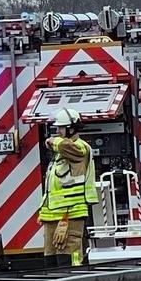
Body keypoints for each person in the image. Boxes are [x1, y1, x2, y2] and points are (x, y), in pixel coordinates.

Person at [38, 108, 97, 264]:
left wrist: (52, 141)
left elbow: (65, 147)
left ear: (71, 129)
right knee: (50, 259)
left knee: (70, 257)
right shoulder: (59, 154)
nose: (57, 132)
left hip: (71, 213)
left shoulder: (80, 147)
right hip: (53, 215)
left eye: (60, 128)